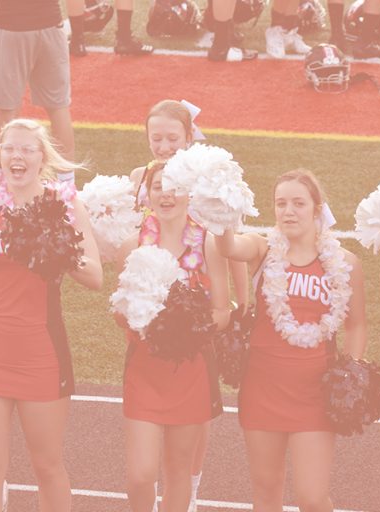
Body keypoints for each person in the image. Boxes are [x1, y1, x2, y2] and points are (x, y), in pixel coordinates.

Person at [0, 118, 102, 512]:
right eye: (10, 148)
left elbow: (93, 275)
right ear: (0, 155)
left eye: (27, 148)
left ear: (42, 158)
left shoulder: (63, 204)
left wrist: (55, 242)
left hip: (39, 353)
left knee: (47, 466)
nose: (17, 155)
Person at [217, 169, 367, 512]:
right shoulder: (262, 249)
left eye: (299, 203)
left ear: (317, 209)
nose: (288, 211)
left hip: (315, 393)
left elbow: (356, 325)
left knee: (312, 498)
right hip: (262, 389)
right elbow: (227, 246)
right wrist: (224, 212)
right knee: (267, 491)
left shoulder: (345, 263)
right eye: (281, 203)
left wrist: (352, 372)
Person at [129, 100, 250, 512]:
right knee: (143, 471)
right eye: (155, 138)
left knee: (191, 439)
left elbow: (230, 246)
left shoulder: (207, 182)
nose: (163, 145)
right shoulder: (142, 182)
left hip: (197, 315)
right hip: (148, 350)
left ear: (189, 136)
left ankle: (191, 490)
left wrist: (241, 305)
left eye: (171, 138)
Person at [114, 162, 230, 512]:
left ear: (188, 194)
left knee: (179, 470)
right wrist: (139, 320)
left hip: (191, 370)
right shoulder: (131, 245)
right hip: (145, 369)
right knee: (140, 474)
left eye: (174, 186)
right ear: (147, 193)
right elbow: (119, 309)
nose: (166, 193)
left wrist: (185, 330)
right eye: (158, 185)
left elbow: (223, 311)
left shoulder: (207, 243)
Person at [0, 0, 76, 158]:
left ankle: (6, 174)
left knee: (6, 109)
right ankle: (67, 178)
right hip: (51, 25)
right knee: (58, 106)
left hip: (10, 26)